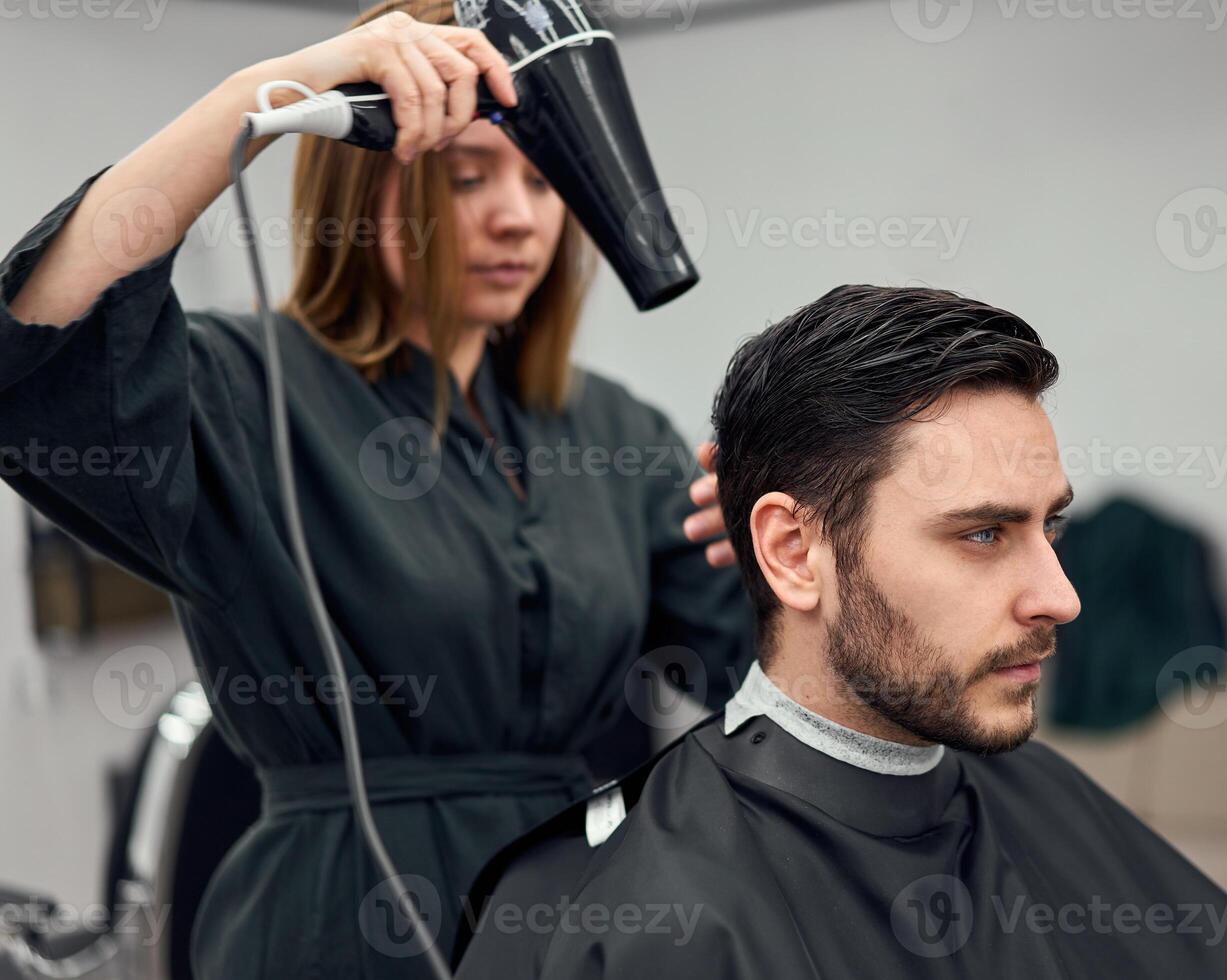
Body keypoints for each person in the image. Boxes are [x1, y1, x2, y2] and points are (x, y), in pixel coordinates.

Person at [0, 2, 752, 977]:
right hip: (339, 925)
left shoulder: (612, 431)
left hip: (576, 916)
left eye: (541, 177)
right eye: (468, 176)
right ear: (362, 184)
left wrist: (785, 550)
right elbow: (41, 344)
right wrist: (260, 93)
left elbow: (745, 675)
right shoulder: (247, 392)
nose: (517, 215)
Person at [454, 284, 1227, 979]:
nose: (1062, 599)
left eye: (1048, 527)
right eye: (983, 534)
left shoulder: (1045, 805)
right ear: (793, 552)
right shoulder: (620, 909)